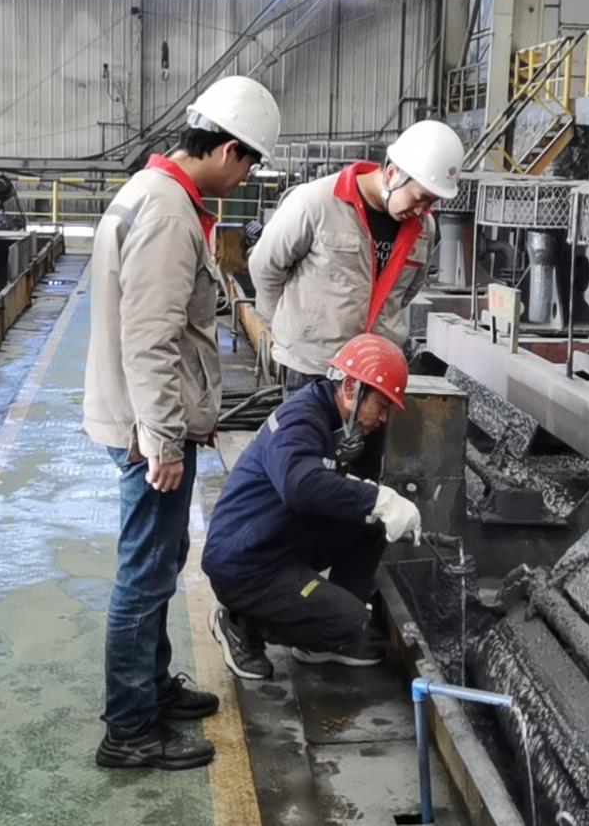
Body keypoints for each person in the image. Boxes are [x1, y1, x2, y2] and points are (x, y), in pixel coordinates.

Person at [83, 74, 280, 770]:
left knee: (160, 563)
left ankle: (152, 685)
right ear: (228, 150)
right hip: (147, 431)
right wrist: (163, 439)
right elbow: (151, 339)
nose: (246, 177)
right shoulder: (169, 213)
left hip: (140, 419)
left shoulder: (153, 192)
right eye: (249, 163)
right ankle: (130, 728)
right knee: (144, 573)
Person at [202, 335, 424, 681]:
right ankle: (241, 623)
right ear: (351, 387)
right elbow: (299, 486)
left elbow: (328, 485)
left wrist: (373, 505)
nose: (383, 418)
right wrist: (378, 499)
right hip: (244, 563)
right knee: (350, 621)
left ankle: (324, 634)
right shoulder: (301, 419)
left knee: (370, 526)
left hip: (274, 538)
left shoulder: (332, 418)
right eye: (381, 406)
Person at [248, 120, 467, 394]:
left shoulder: (425, 228)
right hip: (313, 368)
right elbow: (264, 267)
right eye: (419, 197)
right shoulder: (316, 202)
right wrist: (291, 329)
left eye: (431, 203)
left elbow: (406, 292)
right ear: (392, 174)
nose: (422, 210)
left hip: (375, 373)